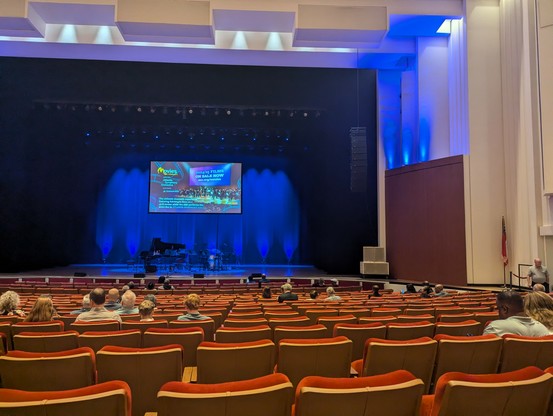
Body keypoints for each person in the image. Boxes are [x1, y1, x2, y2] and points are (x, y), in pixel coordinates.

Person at [483, 291, 549, 337]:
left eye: (498, 309)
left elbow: (483, 355)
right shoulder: (542, 329)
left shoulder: (495, 327)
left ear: (504, 309)